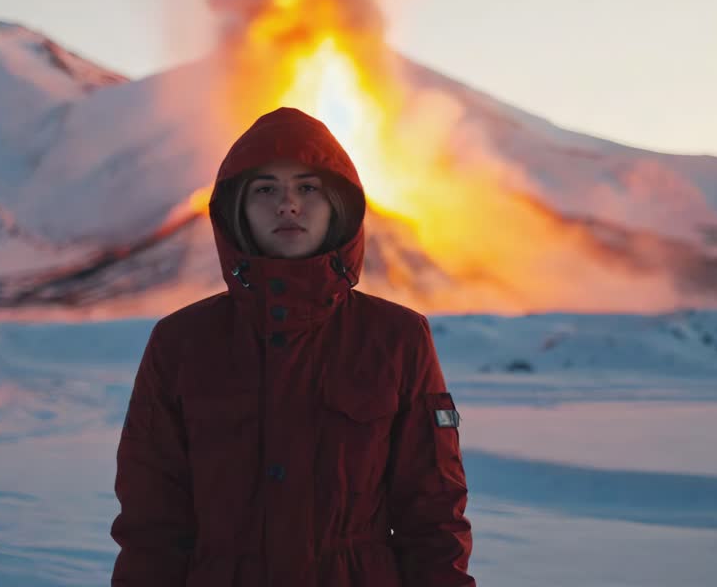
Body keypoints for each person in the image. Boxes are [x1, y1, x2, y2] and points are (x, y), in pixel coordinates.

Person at [110, 107, 474, 586]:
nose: (288, 205)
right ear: (236, 209)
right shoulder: (181, 342)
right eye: (265, 190)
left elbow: (434, 514)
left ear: (339, 206)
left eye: (308, 188)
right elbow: (151, 524)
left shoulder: (398, 338)